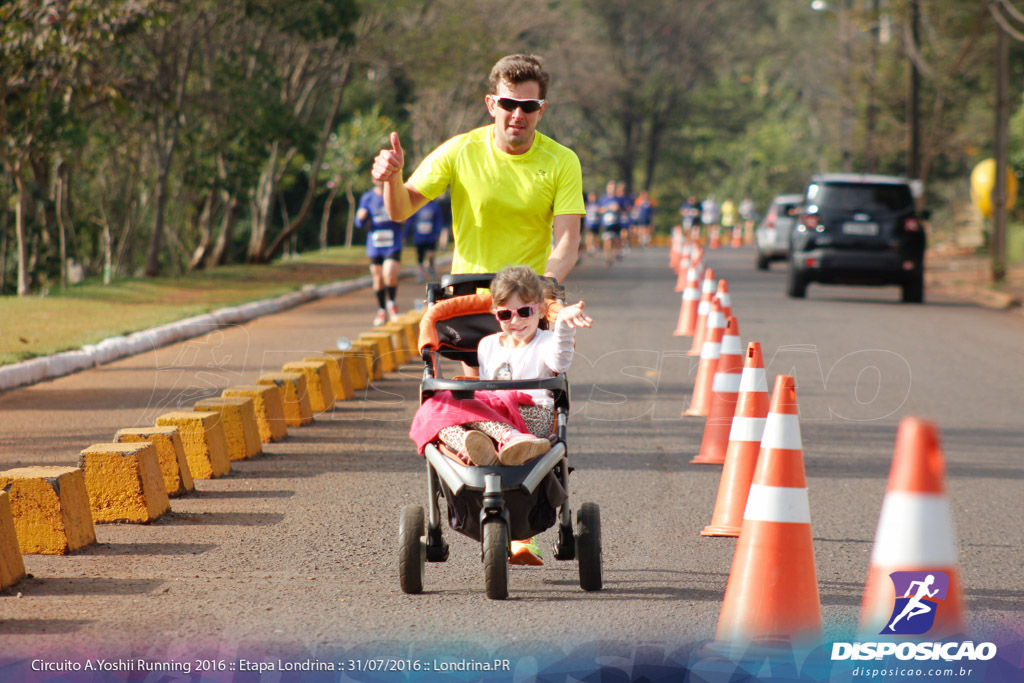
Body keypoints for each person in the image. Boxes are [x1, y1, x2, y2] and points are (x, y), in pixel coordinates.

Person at [408, 266, 593, 564]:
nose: (516, 321)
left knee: (482, 399)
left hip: (533, 419)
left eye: (525, 312)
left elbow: (561, 358)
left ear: (541, 310)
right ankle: (476, 441)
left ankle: (502, 438)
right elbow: (484, 399)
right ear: (495, 313)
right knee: (438, 405)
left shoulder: (546, 342)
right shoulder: (487, 345)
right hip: (497, 422)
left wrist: (564, 327)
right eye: (506, 315)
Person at [371, 54, 585, 283]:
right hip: (467, 298)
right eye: (508, 104)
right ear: (492, 105)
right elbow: (399, 211)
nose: (517, 115)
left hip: (526, 306)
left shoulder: (562, 160)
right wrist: (392, 179)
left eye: (529, 106)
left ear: (541, 110)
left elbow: (567, 244)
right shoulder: (459, 150)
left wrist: (544, 288)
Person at [355, 183, 404, 326]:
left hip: (392, 242)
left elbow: (407, 215)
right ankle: (381, 310)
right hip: (375, 244)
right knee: (377, 277)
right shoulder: (367, 197)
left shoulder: (395, 193)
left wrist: (402, 218)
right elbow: (359, 223)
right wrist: (361, 217)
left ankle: (392, 304)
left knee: (389, 275)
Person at [406, 199, 445, 283]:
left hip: (430, 236)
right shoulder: (416, 205)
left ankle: (431, 267)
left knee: (431, 254)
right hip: (419, 237)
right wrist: (405, 234)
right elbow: (410, 220)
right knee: (420, 257)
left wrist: (438, 233)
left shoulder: (434, 206)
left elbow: (438, 221)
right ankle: (420, 274)